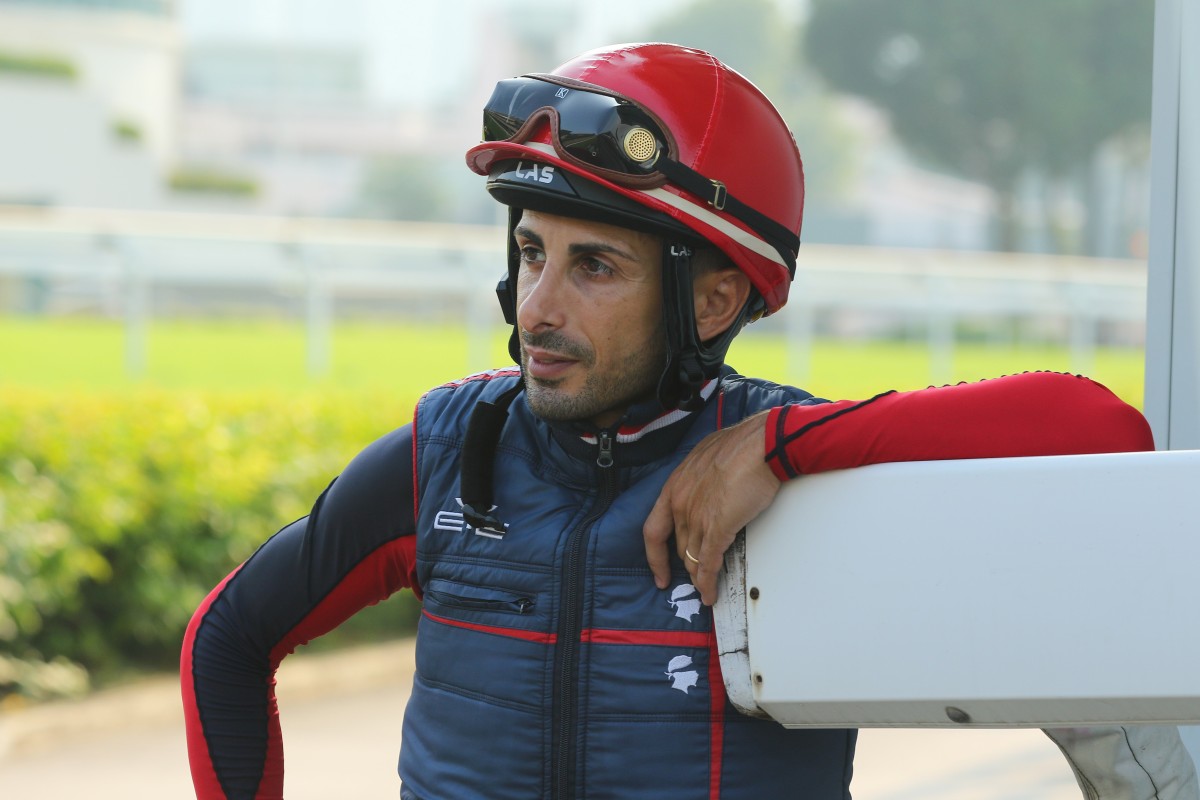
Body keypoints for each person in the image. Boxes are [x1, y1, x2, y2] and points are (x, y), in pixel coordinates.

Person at [181, 43, 1196, 800]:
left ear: (713, 302)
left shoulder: (800, 467)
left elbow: (1096, 424)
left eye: (594, 266)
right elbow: (224, 640)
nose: (538, 307)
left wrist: (785, 446)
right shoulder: (446, 454)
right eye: (532, 252)